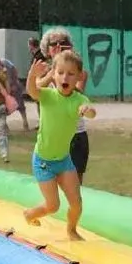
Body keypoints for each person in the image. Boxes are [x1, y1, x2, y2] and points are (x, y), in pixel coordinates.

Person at [23, 48, 96, 240]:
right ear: (53, 75)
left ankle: (72, 230)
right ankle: (30, 214)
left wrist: (86, 110)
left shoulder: (79, 99)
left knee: (77, 203)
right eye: (61, 72)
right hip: (43, 162)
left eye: (71, 74)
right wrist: (33, 75)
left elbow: (91, 113)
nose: (65, 77)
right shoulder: (47, 96)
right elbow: (31, 91)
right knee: (52, 206)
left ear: (79, 77)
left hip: (64, 161)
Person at [37, 28, 91, 176]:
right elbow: (35, 91)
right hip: (50, 138)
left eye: (63, 43)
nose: (59, 46)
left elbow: (76, 93)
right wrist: (53, 71)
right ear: (47, 49)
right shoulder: (42, 71)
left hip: (75, 135)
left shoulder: (79, 72)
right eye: (54, 44)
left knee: (74, 183)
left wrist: (64, 72)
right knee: (50, 183)